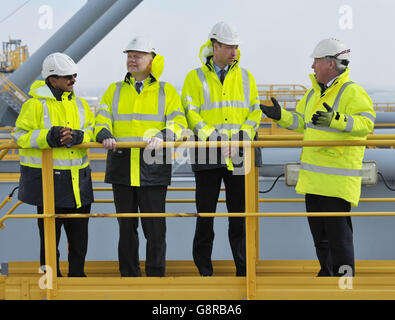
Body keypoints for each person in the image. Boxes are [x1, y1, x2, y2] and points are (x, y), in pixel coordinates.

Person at [261, 38, 376, 277]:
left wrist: (336, 119)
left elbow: (366, 123)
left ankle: (344, 283)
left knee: (339, 238)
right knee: (321, 237)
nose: (312, 67)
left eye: (315, 62)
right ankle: (327, 274)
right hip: (314, 179)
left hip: (336, 182)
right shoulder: (315, 94)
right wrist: (280, 115)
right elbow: (302, 122)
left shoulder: (351, 91)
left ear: (330, 64)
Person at [94, 37, 187, 277]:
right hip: (122, 166)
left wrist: (165, 134)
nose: (131, 59)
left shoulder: (167, 91)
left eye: (138, 55)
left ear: (152, 60)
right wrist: (103, 132)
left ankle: (156, 276)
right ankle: (129, 276)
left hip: (153, 167)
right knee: (126, 228)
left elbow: (179, 122)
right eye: (129, 55)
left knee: (155, 229)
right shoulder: (113, 90)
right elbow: (101, 119)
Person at [181, 22, 262, 276]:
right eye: (229, 47)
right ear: (215, 46)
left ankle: (243, 268)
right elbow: (191, 113)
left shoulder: (246, 77)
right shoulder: (194, 78)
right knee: (206, 215)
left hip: (238, 153)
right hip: (208, 153)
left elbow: (255, 112)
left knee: (240, 215)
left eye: (236, 47)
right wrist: (215, 139)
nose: (234, 52)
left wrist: (239, 138)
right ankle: (204, 269)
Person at [12, 52, 95, 277]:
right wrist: (47, 137)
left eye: (74, 76)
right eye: (68, 76)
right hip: (49, 184)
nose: (73, 80)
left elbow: (92, 130)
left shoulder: (80, 105)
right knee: (49, 239)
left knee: (79, 239)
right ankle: (49, 280)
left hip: (79, 184)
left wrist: (78, 136)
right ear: (52, 79)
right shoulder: (34, 105)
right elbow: (20, 135)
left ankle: (77, 278)